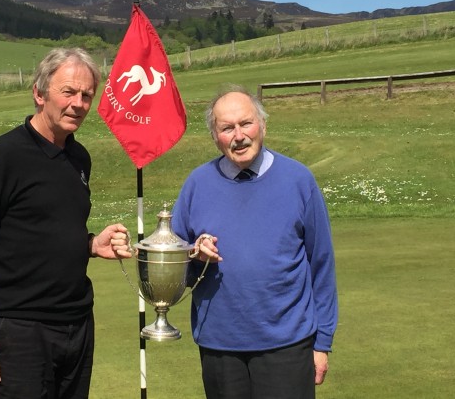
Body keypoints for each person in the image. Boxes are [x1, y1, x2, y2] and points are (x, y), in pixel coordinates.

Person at [116, 85, 338, 399]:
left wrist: (322, 343)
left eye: (246, 123)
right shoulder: (197, 184)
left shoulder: (299, 180)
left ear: (262, 125)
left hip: (287, 345)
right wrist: (194, 254)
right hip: (219, 346)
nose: (239, 135)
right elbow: (178, 269)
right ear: (215, 136)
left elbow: (322, 265)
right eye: (226, 128)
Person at [0, 47, 128, 399]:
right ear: (39, 93)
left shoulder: (78, 157)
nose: (78, 103)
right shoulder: (1, 158)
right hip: (19, 332)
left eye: (87, 95)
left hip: (78, 325)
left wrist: (89, 244)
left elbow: (45, 229)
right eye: (68, 92)